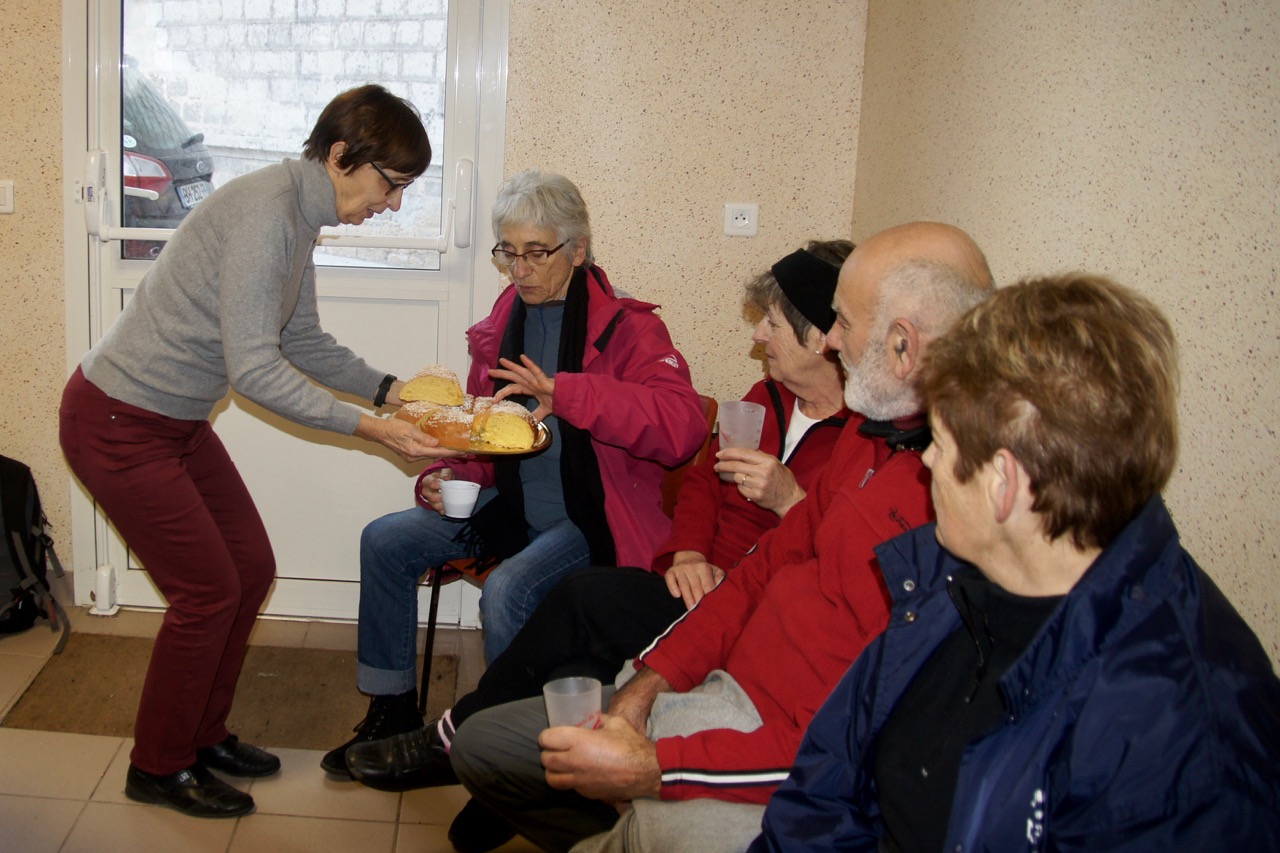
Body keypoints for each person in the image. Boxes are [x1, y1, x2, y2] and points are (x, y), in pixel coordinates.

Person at [448, 222, 994, 853]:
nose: (832, 338)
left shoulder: (948, 510)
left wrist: (660, 766)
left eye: (840, 322)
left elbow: (853, 734)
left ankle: (582, 803)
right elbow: (753, 555)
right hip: (723, 662)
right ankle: (532, 773)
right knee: (524, 707)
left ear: (903, 345)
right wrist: (648, 681)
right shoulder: (853, 434)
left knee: (577, 609)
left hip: (774, 750)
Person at [343, 240, 854, 847]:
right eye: (509, 251)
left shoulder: (859, 441)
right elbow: (699, 486)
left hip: (734, 598)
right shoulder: (767, 397)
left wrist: (790, 500)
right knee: (569, 661)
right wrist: (688, 552)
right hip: (692, 577)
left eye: (773, 323)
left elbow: (683, 431)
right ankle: (455, 748)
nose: (760, 336)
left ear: (823, 336)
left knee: (569, 599)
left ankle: (462, 747)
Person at [751, 274, 1280, 851]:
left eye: (941, 443)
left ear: (1004, 483)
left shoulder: (1180, 744)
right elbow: (824, 788)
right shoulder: (942, 581)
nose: (925, 460)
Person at [58, 84, 454, 819]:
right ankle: (158, 762)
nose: (392, 203)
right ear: (342, 157)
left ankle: (202, 735)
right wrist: (371, 428)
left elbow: (298, 340)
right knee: (208, 591)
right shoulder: (268, 214)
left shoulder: (301, 215)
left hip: (169, 421)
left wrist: (392, 390)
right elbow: (256, 369)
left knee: (249, 568)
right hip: (117, 419)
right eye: (391, 184)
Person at [322, 169, 707, 777]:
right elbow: (487, 427)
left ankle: (501, 748)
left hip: (587, 519)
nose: (519, 269)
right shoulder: (507, 318)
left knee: (509, 589)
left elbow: (683, 427)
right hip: (510, 503)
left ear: (577, 251)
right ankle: (393, 708)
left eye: (536, 253)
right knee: (386, 540)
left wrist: (570, 394)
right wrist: (450, 468)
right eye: (508, 252)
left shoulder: (630, 330)